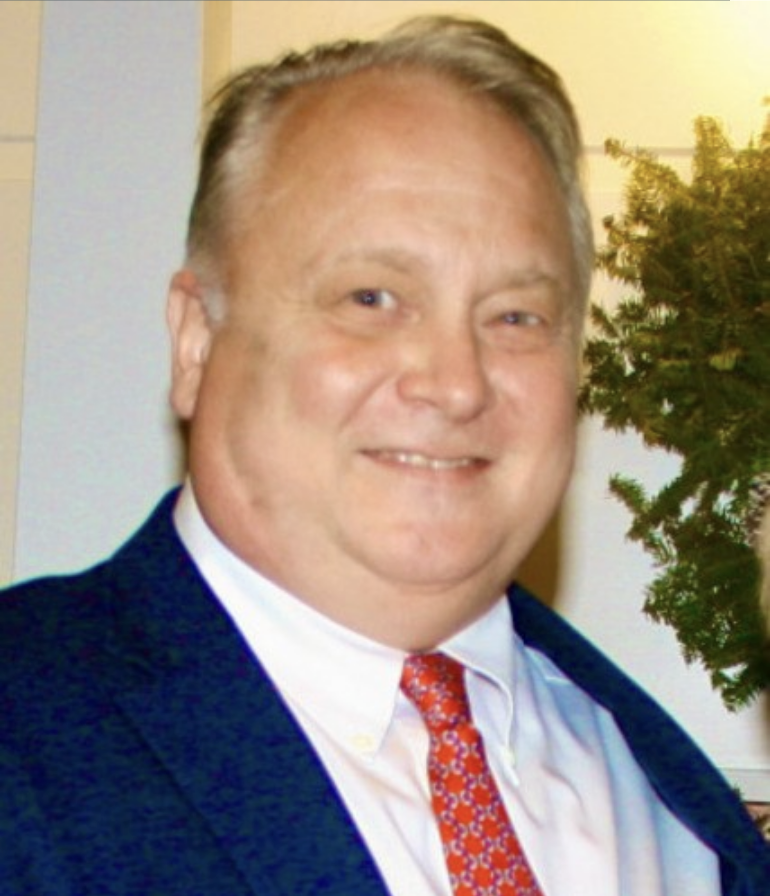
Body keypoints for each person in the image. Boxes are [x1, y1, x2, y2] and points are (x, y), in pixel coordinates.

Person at [1, 13, 767, 896]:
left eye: (516, 316)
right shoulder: (25, 736)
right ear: (197, 341)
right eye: (371, 297)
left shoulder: (680, 820)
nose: (456, 383)